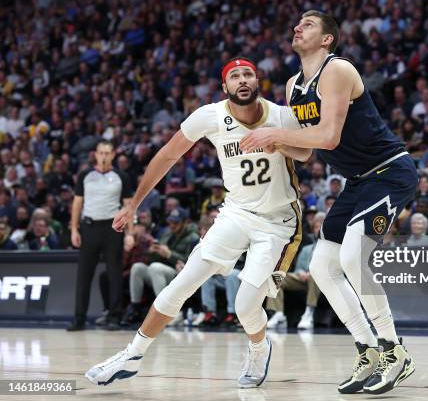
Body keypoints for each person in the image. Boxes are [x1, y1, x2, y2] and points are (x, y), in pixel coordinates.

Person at [85, 57, 310, 389]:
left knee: (246, 306)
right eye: (235, 76)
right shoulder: (210, 116)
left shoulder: (281, 114)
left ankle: (259, 347)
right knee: (183, 282)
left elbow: (307, 153)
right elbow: (167, 155)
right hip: (236, 213)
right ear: (225, 87)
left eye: (248, 73)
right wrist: (135, 203)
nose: (242, 79)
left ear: (257, 80)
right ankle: (132, 355)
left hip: (279, 223)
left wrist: (276, 141)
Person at [241, 11, 417, 394]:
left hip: (389, 171)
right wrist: (275, 142)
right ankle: (367, 350)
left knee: (353, 257)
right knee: (322, 266)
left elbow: (330, 137)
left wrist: (274, 131)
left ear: (326, 39)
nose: (297, 27)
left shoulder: (338, 70)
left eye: (308, 24)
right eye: (297, 23)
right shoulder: (292, 85)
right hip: (358, 182)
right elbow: (306, 153)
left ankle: (394, 349)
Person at [67, 140, 134, 331]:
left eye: (107, 153)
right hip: (89, 227)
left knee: (114, 273)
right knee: (84, 275)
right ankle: (79, 318)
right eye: (100, 153)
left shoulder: (121, 176)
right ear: (95, 155)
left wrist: (130, 233)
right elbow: (77, 203)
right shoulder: (85, 175)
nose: (104, 156)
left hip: (113, 229)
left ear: (113, 155)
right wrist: (74, 229)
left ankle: (114, 317)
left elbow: (128, 206)